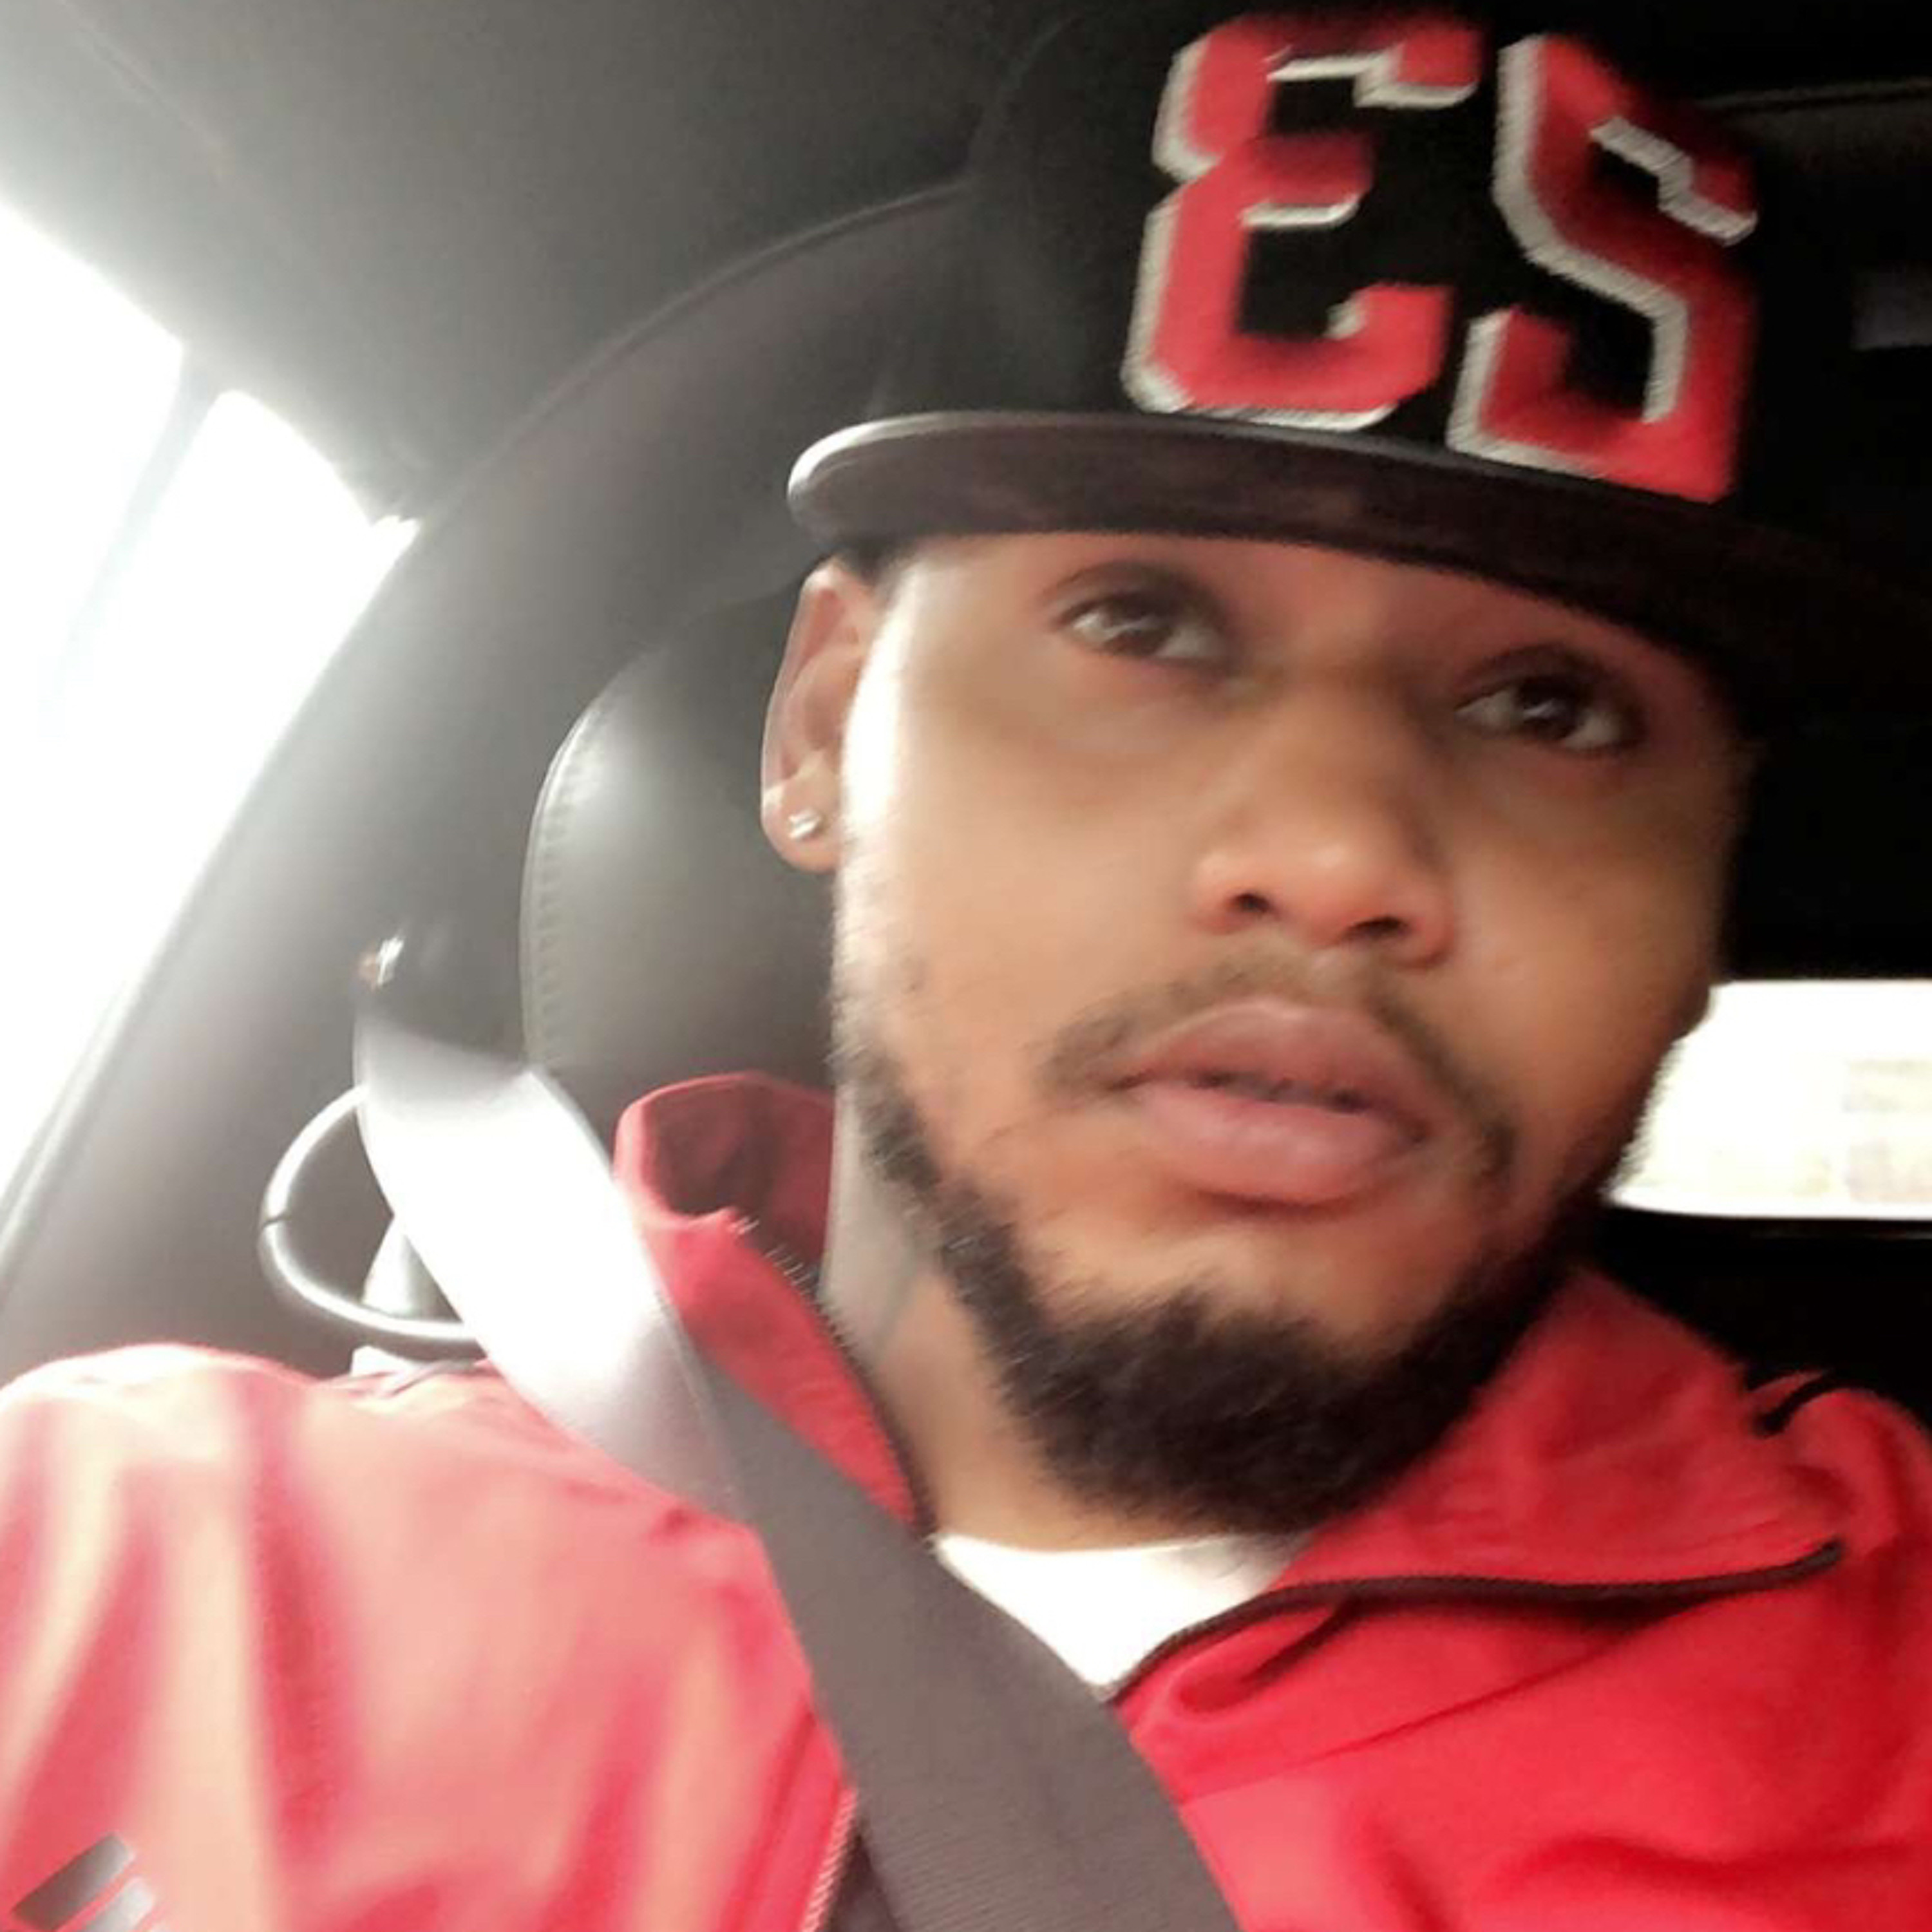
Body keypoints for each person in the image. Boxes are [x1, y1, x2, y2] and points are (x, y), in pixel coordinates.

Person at [3, 3, 1931, 1927]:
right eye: (1143, 622)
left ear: (1710, 897)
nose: (1336, 857)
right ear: (824, 727)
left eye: (1552, 707)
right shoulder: (111, 1556)